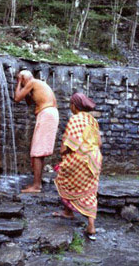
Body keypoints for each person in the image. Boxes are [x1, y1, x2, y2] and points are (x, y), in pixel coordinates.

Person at [54, 92, 102, 241]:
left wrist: (62, 151)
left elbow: (70, 144)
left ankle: (69, 211)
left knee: (63, 178)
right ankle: (90, 225)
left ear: (74, 106)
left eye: (70, 104)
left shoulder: (75, 119)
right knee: (90, 191)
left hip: (80, 160)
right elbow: (99, 143)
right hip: (94, 160)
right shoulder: (92, 120)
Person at [14, 70, 59, 193]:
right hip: (49, 113)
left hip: (47, 114)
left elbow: (17, 98)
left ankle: (36, 186)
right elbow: (29, 102)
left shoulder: (32, 82)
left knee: (37, 151)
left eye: (21, 80)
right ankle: (37, 183)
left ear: (24, 78)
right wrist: (24, 87)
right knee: (39, 151)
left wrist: (19, 82)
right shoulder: (36, 84)